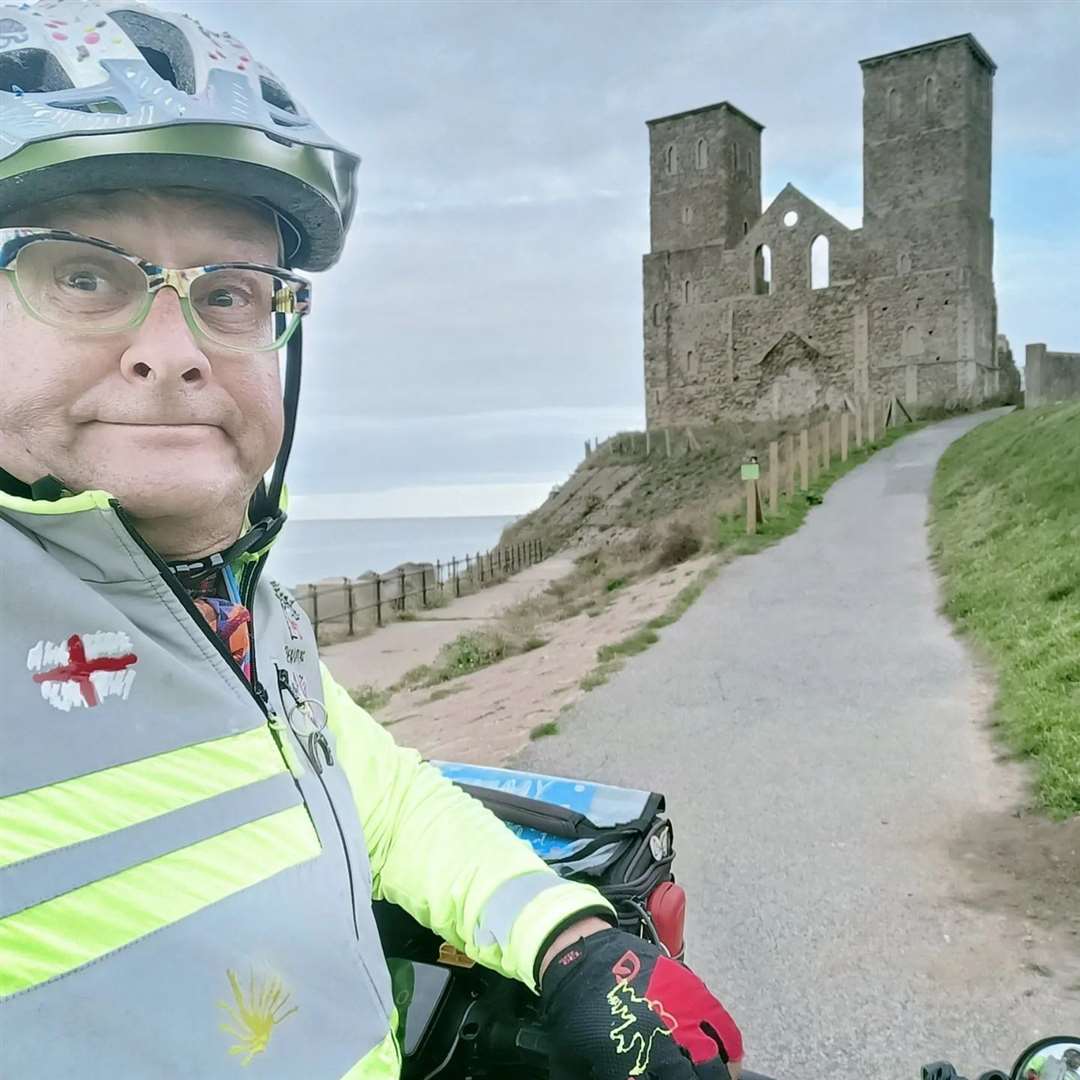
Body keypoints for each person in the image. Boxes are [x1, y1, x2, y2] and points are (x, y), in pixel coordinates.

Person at [0, 2, 743, 1078]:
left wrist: (566, 940)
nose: (176, 351)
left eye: (229, 293)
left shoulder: (231, 609)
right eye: (81, 275)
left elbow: (373, 792)